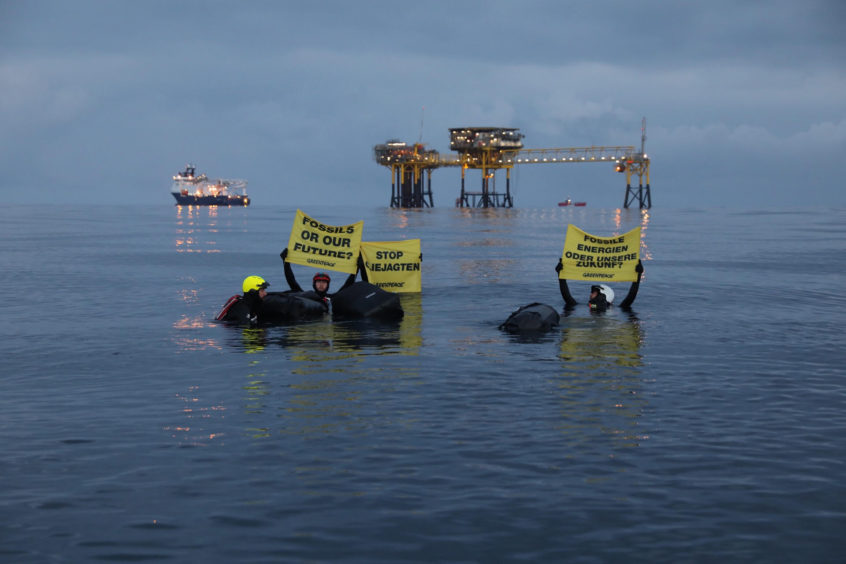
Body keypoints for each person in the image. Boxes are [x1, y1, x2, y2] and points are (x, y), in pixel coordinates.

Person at [280, 248, 357, 308]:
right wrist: (286, 262)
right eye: (318, 282)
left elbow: (347, 285)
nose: (321, 284)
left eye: (324, 282)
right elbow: (291, 281)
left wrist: (357, 268)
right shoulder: (306, 296)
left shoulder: (332, 298)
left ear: (328, 285)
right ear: (314, 284)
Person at [555, 259, 644, 311]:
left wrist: (638, 275)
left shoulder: (581, 308)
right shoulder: (618, 310)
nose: (590, 294)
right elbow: (566, 295)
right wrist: (561, 275)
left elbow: (631, 296)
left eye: (594, 293)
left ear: (603, 295)